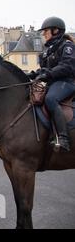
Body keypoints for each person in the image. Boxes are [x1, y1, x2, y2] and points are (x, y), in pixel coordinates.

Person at [28, 17, 75, 152]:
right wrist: (32, 75)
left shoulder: (67, 46)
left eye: (46, 31)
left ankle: (63, 138)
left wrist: (48, 74)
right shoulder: (47, 51)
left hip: (67, 82)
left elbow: (67, 66)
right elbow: (43, 70)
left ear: (56, 30)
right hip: (53, 83)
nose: (44, 34)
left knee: (50, 99)